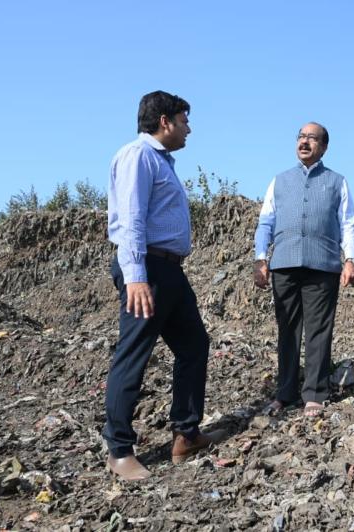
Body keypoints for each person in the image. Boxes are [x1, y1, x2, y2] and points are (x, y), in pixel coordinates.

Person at [104, 90, 222, 481]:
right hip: (148, 269)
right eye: (184, 120)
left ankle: (186, 434)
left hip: (169, 270)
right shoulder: (138, 156)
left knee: (194, 345)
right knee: (134, 354)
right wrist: (136, 277)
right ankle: (119, 450)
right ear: (164, 121)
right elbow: (131, 220)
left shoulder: (161, 162)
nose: (189, 128)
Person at [253, 122, 354, 418]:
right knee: (287, 330)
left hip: (323, 266)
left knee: (318, 331)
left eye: (312, 138)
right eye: (301, 136)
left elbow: (347, 223)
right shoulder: (280, 181)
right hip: (284, 265)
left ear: (323, 147)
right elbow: (265, 222)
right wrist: (260, 258)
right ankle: (285, 393)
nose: (304, 142)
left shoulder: (337, 182)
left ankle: (314, 393)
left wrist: (350, 259)